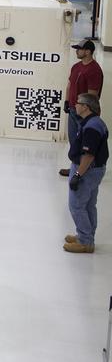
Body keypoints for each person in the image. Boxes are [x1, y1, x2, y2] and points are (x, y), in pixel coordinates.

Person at [65, 92, 109, 253]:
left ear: (86, 107)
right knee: (89, 204)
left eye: (78, 103)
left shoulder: (91, 127)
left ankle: (85, 241)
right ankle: (86, 236)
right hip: (94, 170)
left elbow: (88, 155)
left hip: (87, 170)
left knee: (76, 205)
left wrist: (78, 175)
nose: (75, 105)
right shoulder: (94, 122)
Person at [60, 39, 103, 177]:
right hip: (73, 109)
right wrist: (67, 101)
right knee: (74, 141)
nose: (77, 51)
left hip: (84, 113)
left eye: (79, 49)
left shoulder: (94, 70)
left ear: (88, 51)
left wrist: (85, 113)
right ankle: (75, 167)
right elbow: (69, 85)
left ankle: (84, 170)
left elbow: (92, 96)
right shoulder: (76, 67)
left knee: (86, 143)